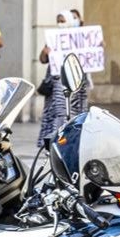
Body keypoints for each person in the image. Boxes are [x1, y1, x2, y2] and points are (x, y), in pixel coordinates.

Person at [37, 10, 91, 146]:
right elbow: (42, 59)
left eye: (63, 21)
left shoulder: (82, 39)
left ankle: (72, 140)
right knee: (58, 113)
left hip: (75, 83)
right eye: (58, 21)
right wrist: (44, 53)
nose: (60, 24)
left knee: (74, 113)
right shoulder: (54, 38)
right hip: (56, 83)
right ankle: (57, 141)